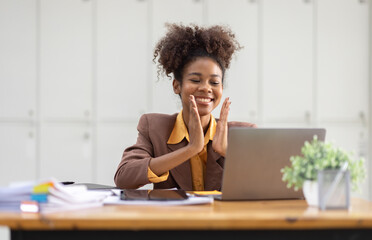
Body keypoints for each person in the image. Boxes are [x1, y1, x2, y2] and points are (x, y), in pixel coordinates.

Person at [114, 24, 256, 191]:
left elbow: (270, 184)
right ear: (177, 86)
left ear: (221, 89)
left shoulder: (242, 134)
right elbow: (124, 177)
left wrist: (227, 152)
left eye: (214, 82)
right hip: (176, 217)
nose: (206, 88)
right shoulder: (154, 127)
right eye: (195, 80)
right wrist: (190, 150)